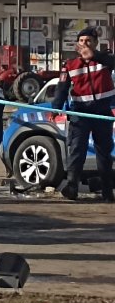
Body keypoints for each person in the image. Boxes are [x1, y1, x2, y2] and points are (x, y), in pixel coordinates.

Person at [50, 27, 115, 201]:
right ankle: (72, 187)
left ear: (95, 43)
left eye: (88, 41)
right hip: (80, 112)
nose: (84, 44)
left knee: (104, 153)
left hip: (101, 112)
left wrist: (94, 56)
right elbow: (61, 88)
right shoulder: (70, 65)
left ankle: (107, 191)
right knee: (77, 149)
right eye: (81, 41)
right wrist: (56, 107)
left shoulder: (105, 60)